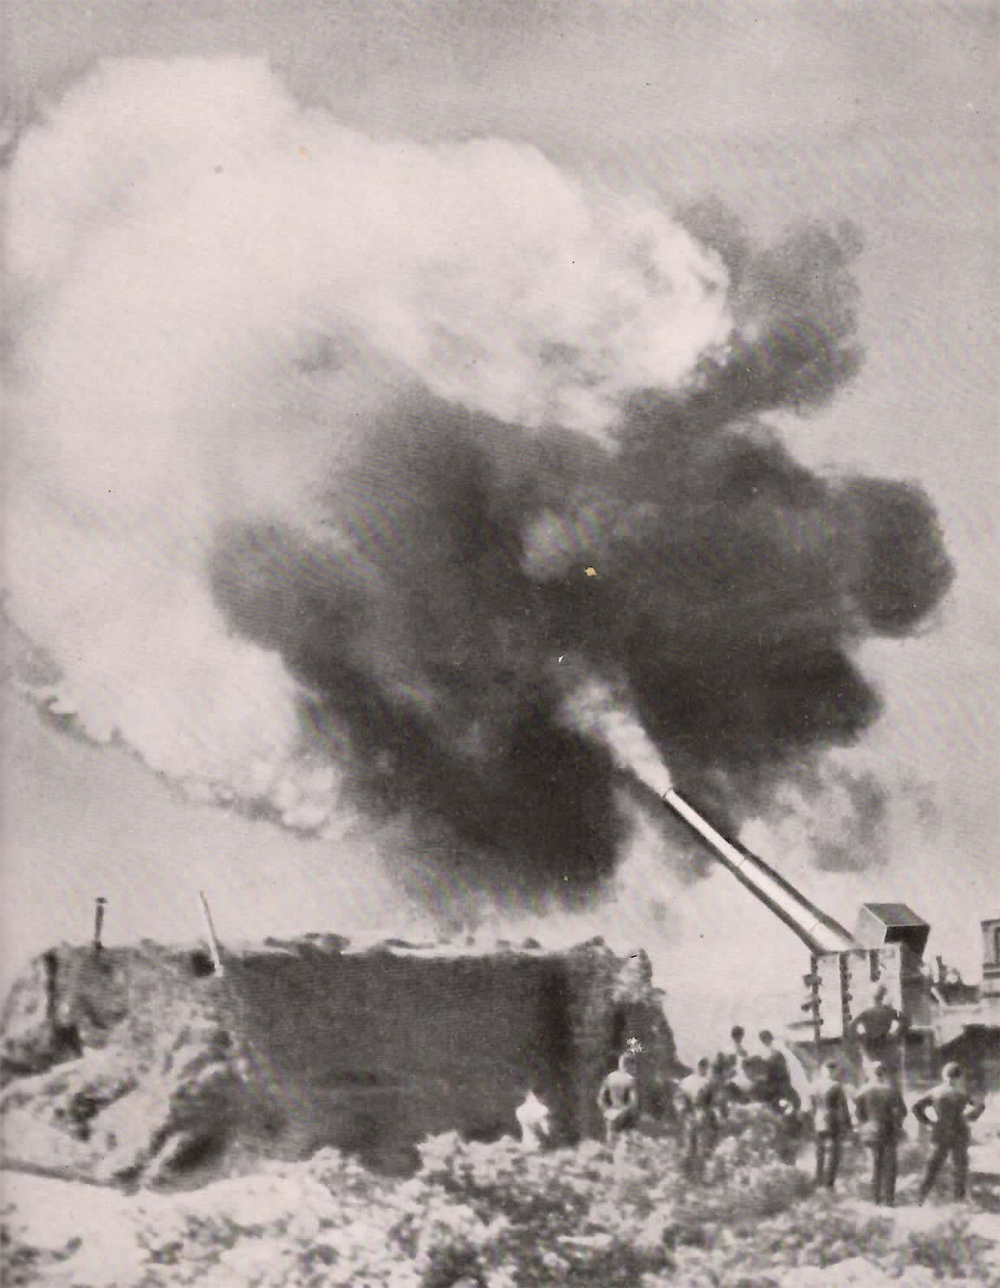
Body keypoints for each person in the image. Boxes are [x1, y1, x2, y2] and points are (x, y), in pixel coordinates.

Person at [913, 1063, 985, 1204]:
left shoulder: (935, 1092)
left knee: (932, 1165)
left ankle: (920, 1198)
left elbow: (916, 1108)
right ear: (959, 1077)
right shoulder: (962, 1093)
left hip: (941, 1131)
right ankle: (958, 1201)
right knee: (960, 1167)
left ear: (944, 1075)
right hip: (960, 1132)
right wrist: (969, 1117)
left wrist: (928, 1122)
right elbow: (980, 1105)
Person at [853, 1061, 907, 1206]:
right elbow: (902, 1112)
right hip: (889, 1131)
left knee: (874, 1165)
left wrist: (865, 1125)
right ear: (884, 1073)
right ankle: (889, 1199)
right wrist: (897, 1125)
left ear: (870, 1073)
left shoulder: (862, 1091)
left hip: (870, 1132)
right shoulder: (892, 1091)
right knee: (890, 1167)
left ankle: (875, 1199)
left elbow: (858, 1114)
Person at [810, 1058, 853, 1191]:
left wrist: (812, 1120)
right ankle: (829, 1183)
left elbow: (811, 1105)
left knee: (820, 1151)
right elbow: (843, 1108)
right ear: (833, 1071)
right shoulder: (836, 1086)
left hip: (818, 1120)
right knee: (834, 1152)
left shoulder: (814, 1085)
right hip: (832, 1120)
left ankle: (818, 1180)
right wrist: (848, 1125)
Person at [851, 986, 907, 1081]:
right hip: (886, 1044)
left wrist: (860, 1038)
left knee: (872, 1071)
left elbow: (852, 1026)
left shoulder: (866, 1012)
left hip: (870, 1044)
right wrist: (896, 1034)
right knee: (889, 1073)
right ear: (883, 997)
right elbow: (905, 1020)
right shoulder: (889, 1011)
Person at [675, 1057, 718, 1181]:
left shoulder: (707, 1082)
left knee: (699, 1148)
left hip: (701, 1116)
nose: (703, 1068)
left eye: (704, 1065)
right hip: (695, 1116)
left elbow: (713, 1101)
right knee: (693, 1147)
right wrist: (684, 1113)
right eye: (701, 1065)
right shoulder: (689, 1082)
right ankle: (690, 1176)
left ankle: (697, 1176)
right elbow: (680, 1100)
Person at [597, 1050, 640, 1148]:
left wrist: (606, 1111)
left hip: (611, 1114)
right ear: (629, 1065)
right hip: (625, 1114)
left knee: (611, 1143)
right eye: (633, 1065)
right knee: (627, 1144)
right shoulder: (630, 1079)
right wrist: (627, 1111)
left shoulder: (610, 1077)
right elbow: (634, 1101)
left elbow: (600, 1098)